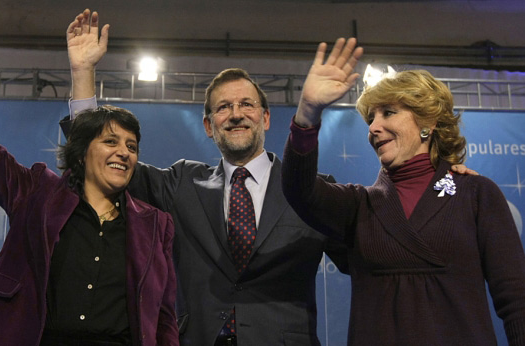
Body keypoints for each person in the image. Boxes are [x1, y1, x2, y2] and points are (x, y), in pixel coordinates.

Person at [64, 9, 353, 346]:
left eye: (246, 104)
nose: (235, 114)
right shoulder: (182, 182)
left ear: (266, 117)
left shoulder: (307, 188)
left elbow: (359, 260)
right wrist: (83, 72)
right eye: (222, 108)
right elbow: (97, 163)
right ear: (209, 126)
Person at [0, 1, 178, 345]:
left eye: (132, 146)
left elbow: (164, 317)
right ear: (82, 152)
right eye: (111, 141)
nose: (124, 151)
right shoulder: (35, 195)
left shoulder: (155, 226)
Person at [281, 38, 525, 345]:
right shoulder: (359, 205)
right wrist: (307, 113)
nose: (373, 127)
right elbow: (299, 190)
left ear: (427, 121)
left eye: (388, 113)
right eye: (371, 118)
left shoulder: (476, 194)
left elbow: (518, 301)